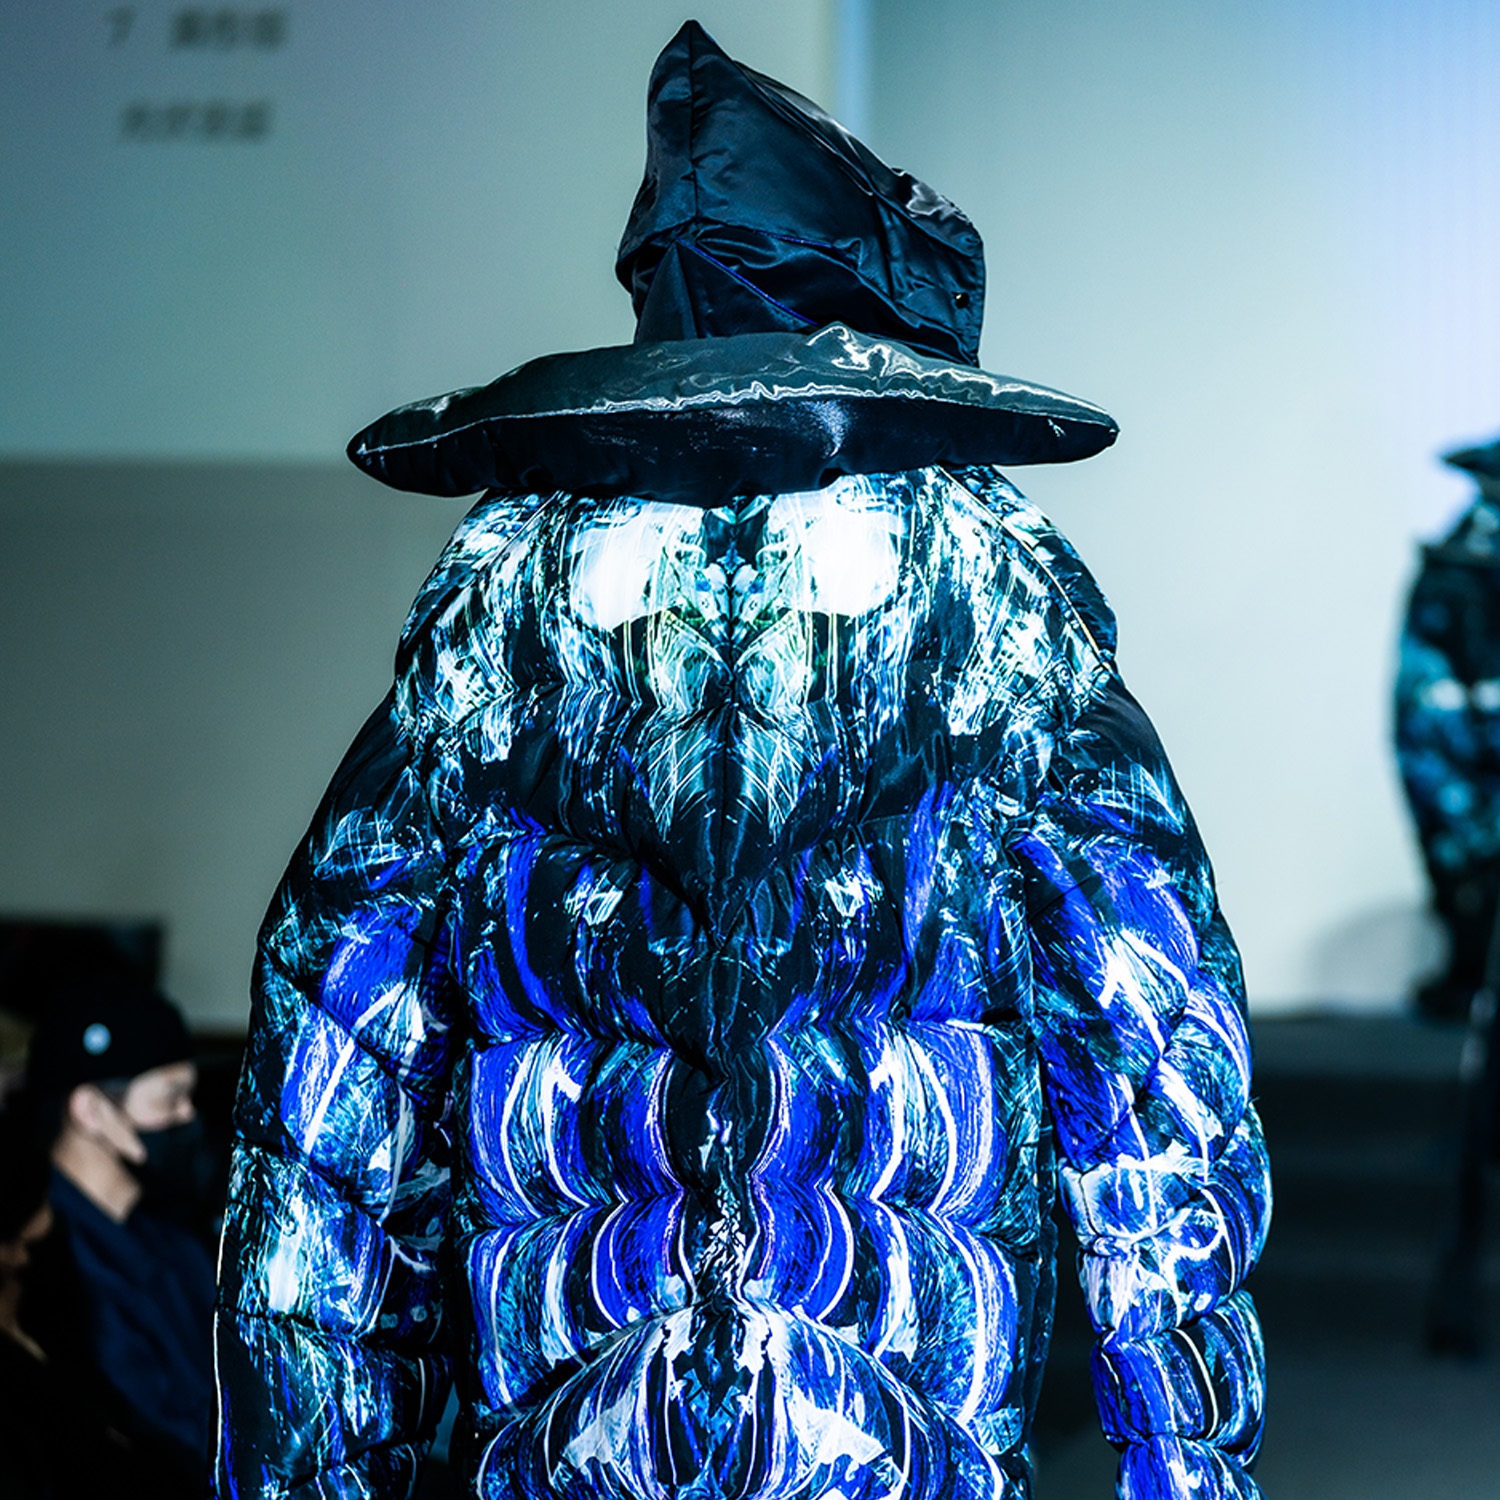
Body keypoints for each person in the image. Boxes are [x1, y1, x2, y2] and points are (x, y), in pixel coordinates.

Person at [215, 22, 1270, 1499]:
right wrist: (1187, 1470)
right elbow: (1162, 1104)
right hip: (893, 1441)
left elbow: (327, 1134)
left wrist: (315, 1477)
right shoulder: (999, 640)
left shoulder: (497, 641)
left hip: (578, 1436)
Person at [25, 981, 217, 1496]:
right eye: (169, 1098)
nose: (187, 1116)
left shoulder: (171, 1235)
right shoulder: (42, 1256)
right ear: (90, 1110)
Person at [1396, 434, 1500, 1021]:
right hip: (1457, 758)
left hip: (1467, 748)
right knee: (1466, 867)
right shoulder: (1456, 568)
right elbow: (1426, 689)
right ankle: (1468, 975)